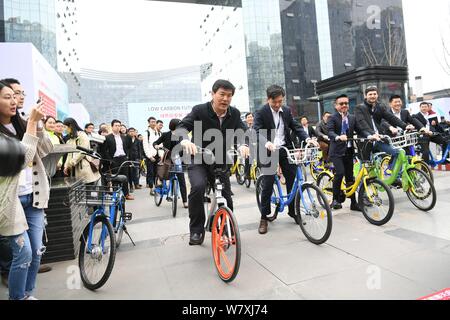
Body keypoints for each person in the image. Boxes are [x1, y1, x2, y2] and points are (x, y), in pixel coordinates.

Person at [176, 80, 249, 245]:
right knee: (198, 187)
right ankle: (196, 230)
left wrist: (244, 144)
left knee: (226, 196)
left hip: (220, 161)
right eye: (222, 94)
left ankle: (226, 230)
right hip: (198, 158)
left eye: (229, 95)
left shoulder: (234, 113)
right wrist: (185, 141)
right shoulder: (200, 110)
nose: (225, 99)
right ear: (213, 94)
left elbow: (243, 130)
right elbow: (182, 126)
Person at [0, 80, 53, 300]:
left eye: (18, 95)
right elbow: (23, 158)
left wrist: (37, 125)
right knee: (23, 254)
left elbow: (46, 149)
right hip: (11, 202)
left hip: (34, 195)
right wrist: (32, 121)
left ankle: (26, 294)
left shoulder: (22, 124)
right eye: (9, 96)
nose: (16, 100)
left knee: (36, 254)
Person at [253, 85, 316, 235]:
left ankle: (293, 211)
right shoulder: (261, 112)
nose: (277, 105)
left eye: (280, 101)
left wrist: (307, 139)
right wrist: (266, 142)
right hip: (268, 150)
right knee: (267, 182)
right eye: (274, 102)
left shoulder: (286, 110)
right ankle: (264, 216)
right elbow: (255, 131)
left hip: (284, 148)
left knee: (292, 179)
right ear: (268, 99)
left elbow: (296, 127)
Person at [354, 86, 414, 174]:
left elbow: (391, 117)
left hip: (379, 139)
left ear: (377, 95)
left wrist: (405, 126)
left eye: (374, 94)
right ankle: (360, 186)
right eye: (370, 94)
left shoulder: (380, 106)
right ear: (365, 96)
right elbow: (362, 123)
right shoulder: (359, 108)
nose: (372, 96)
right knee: (365, 167)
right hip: (367, 140)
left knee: (397, 152)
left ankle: (394, 175)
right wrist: (372, 134)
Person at [327, 95, 370, 210]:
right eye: (341, 104)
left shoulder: (352, 117)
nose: (344, 105)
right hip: (336, 152)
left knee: (350, 177)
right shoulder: (332, 118)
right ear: (336, 106)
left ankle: (353, 203)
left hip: (349, 151)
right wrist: (338, 137)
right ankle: (335, 200)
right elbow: (330, 132)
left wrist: (370, 136)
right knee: (340, 173)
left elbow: (360, 130)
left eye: (346, 103)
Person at [153, 119, 188, 208]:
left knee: (181, 180)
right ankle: (160, 181)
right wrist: (156, 146)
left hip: (178, 159)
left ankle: (185, 201)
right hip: (168, 158)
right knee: (164, 173)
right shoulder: (165, 135)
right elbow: (155, 142)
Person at [63, 118, 101, 186]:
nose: (64, 129)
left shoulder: (82, 135)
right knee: (78, 192)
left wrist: (71, 163)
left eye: (65, 127)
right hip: (73, 168)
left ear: (70, 126)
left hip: (83, 166)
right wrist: (66, 166)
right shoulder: (70, 139)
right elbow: (69, 154)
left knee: (87, 190)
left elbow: (83, 152)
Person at [103, 119, 134, 200]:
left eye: (119, 126)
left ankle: (126, 194)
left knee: (125, 177)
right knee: (115, 177)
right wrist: (109, 160)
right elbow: (105, 150)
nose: (118, 127)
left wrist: (127, 156)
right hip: (114, 160)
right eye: (116, 125)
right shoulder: (108, 137)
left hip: (123, 158)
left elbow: (129, 148)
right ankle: (116, 195)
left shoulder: (125, 137)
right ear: (112, 126)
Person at [143, 117, 161, 195]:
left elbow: (161, 144)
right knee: (150, 173)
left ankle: (156, 188)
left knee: (157, 173)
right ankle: (151, 189)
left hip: (158, 155)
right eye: (152, 122)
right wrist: (150, 156)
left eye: (154, 122)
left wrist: (161, 155)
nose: (153, 123)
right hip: (151, 156)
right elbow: (145, 146)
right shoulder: (147, 132)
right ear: (149, 123)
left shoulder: (159, 132)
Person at [127, 127, 143, 193]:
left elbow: (140, 149)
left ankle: (136, 184)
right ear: (128, 132)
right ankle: (131, 185)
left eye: (133, 131)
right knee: (130, 173)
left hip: (136, 158)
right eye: (130, 131)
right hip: (128, 158)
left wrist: (140, 158)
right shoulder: (126, 139)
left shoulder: (138, 140)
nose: (131, 132)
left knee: (136, 172)